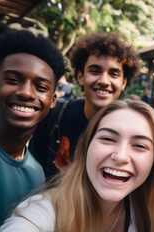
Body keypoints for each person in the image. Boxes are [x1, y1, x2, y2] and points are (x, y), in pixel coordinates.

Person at [0, 99, 154, 232]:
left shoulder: (147, 215)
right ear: (86, 147)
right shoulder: (42, 213)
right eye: (108, 139)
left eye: (140, 146)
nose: (120, 156)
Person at [0, 29, 65, 232]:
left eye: (40, 86)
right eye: (13, 80)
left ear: (52, 101)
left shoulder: (37, 173)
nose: (26, 93)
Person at [29, 32, 140, 178]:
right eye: (95, 71)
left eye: (113, 74)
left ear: (123, 82)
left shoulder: (134, 129)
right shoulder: (55, 115)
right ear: (80, 77)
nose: (104, 81)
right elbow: (33, 172)